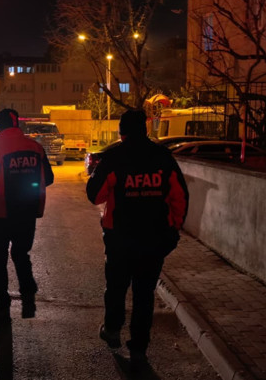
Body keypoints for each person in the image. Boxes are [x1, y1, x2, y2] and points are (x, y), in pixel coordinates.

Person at [86, 109, 189, 368]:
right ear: (145, 130)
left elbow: (95, 195)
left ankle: (112, 330)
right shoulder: (162, 157)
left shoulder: (114, 158)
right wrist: (173, 230)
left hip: (120, 238)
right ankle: (139, 348)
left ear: (122, 132)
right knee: (144, 295)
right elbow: (180, 197)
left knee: (117, 288)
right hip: (154, 240)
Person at [0, 108, 54, 323]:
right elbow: (48, 178)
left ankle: (1, 303)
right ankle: (28, 292)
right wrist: (27, 184)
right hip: (27, 213)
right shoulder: (35, 147)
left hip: (0, 214)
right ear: (18, 123)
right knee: (21, 255)